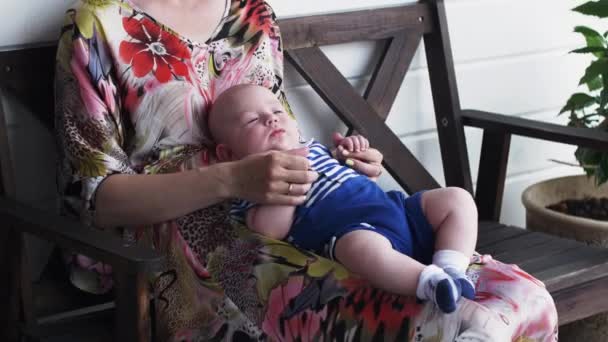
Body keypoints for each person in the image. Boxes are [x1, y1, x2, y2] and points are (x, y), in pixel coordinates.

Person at [54, 0, 557, 340]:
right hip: (196, 250)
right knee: (441, 321)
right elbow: (98, 201)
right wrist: (233, 179)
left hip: (313, 217)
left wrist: (356, 167)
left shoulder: (252, 14)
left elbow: (282, 132)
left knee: (522, 298)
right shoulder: (97, 29)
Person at [207, 84, 478, 313]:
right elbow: (268, 229)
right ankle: (431, 283)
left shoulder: (315, 148)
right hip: (355, 232)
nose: (272, 119)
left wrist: (353, 154)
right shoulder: (252, 184)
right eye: (252, 120)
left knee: (456, 199)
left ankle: (452, 269)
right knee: (359, 249)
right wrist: (288, 178)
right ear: (228, 154)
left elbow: (355, 174)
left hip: (397, 209)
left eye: (277, 110)